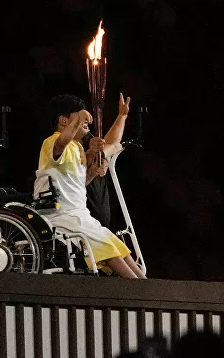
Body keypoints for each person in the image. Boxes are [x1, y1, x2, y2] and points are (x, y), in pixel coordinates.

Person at [33, 93, 145, 278]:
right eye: (78, 116)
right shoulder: (52, 142)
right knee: (110, 250)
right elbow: (62, 141)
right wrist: (81, 116)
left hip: (80, 216)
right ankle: (141, 293)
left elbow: (109, 145)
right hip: (60, 216)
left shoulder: (77, 148)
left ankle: (147, 286)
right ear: (63, 120)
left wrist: (122, 116)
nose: (86, 121)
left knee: (120, 248)